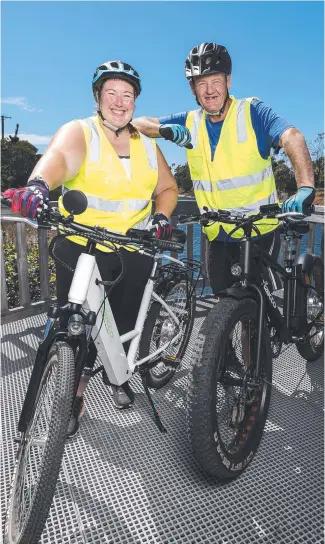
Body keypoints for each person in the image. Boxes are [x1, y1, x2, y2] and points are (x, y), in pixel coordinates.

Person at [3, 60, 179, 437]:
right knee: (76, 327)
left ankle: (119, 376)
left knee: (123, 324)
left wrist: (162, 218)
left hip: (132, 250)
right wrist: (37, 187)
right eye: (111, 93)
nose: (119, 101)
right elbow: (57, 160)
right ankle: (74, 395)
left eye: (127, 95)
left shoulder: (148, 147)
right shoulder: (81, 131)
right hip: (80, 246)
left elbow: (167, 189)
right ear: (98, 97)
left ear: (135, 102)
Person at [133, 42, 315, 296]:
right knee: (223, 305)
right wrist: (163, 130)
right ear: (193, 88)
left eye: (215, 81)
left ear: (228, 81)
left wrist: (305, 186)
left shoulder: (252, 111)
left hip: (259, 231)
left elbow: (292, 137)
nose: (209, 91)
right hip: (217, 234)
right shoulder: (189, 121)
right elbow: (136, 124)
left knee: (257, 304)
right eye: (201, 83)